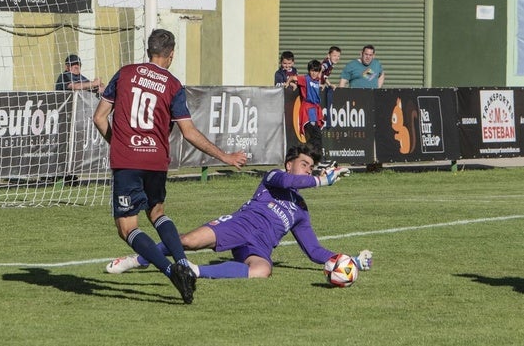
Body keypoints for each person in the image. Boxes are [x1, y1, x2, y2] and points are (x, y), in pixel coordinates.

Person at [92, 29, 248, 304]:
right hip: (155, 160)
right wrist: (224, 156)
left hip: (127, 159)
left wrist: (117, 144)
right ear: (171, 54)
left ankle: (170, 271)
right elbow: (188, 132)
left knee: (128, 229)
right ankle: (184, 264)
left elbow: (99, 118)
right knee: (157, 212)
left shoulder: (125, 73)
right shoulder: (173, 84)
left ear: (148, 49)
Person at [106, 145, 373, 279]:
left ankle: (196, 272)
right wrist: (321, 180)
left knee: (261, 271)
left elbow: (314, 252)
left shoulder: (300, 209)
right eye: (303, 164)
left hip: (259, 245)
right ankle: (137, 260)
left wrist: (351, 261)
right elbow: (291, 182)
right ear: (288, 164)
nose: (307, 170)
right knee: (187, 241)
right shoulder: (275, 176)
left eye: (311, 167)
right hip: (238, 225)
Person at [284, 60, 324, 162]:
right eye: (312, 70)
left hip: (315, 110)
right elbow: (292, 77)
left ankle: (314, 157)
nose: (314, 73)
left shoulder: (317, 80)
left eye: (316, 71)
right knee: (315, 134)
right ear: (309, 71)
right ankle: (318, 157)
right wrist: (288, 83)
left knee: (315, 135)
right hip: (308, 110)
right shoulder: (305, 79)